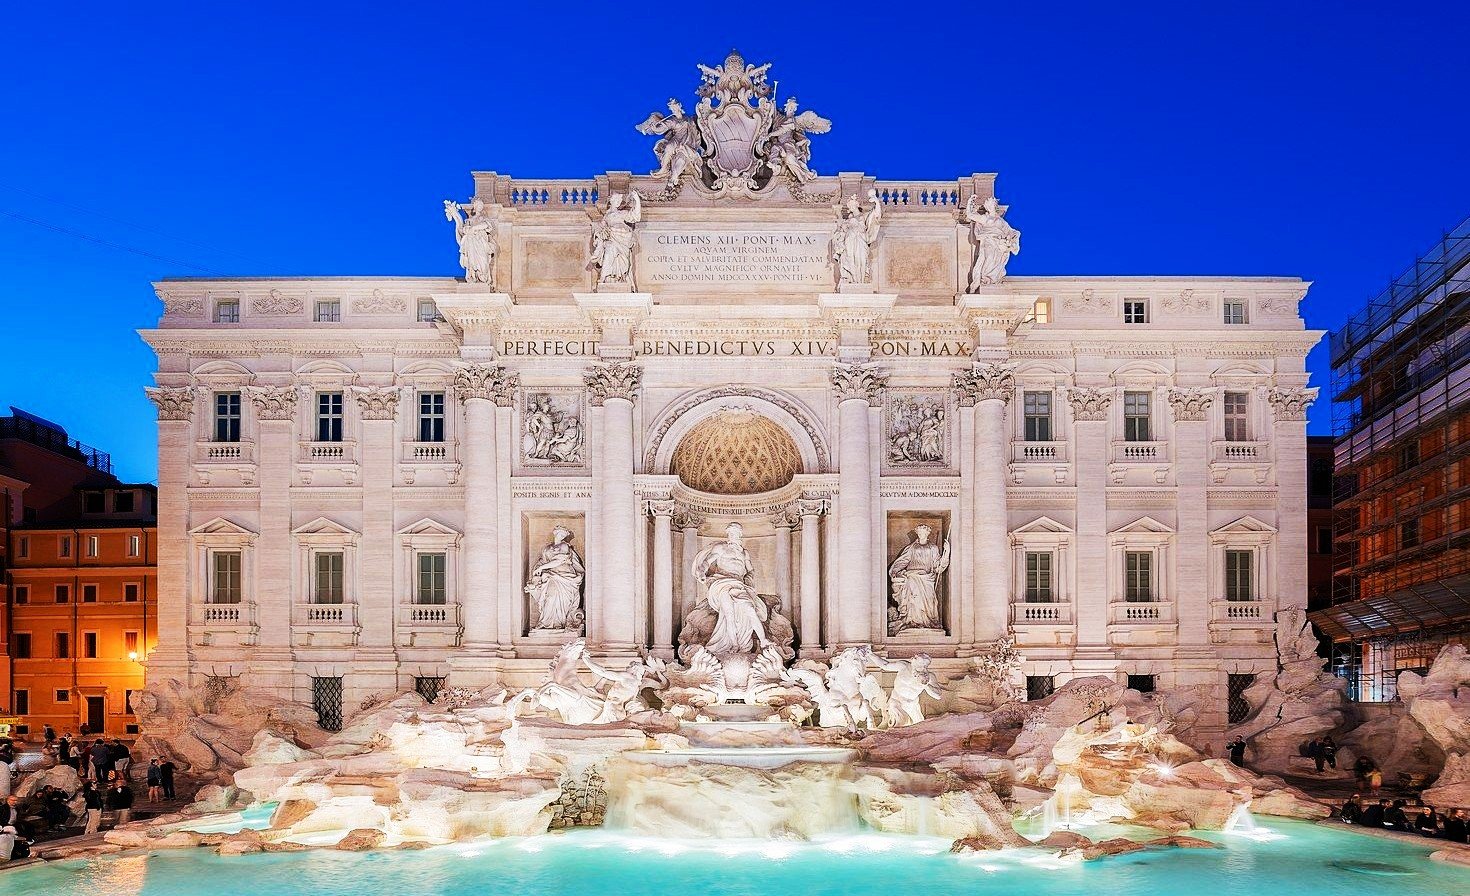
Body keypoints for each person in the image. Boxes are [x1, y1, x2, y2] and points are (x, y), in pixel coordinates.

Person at [0, 796, 26, 862]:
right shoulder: (2, 808)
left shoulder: (17, 808)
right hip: (5, 825)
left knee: (26, 827)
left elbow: (19, 818)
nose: (15, 802)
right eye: (13, 800)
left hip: (14, 825)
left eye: (16, 800)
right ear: (8, 800)